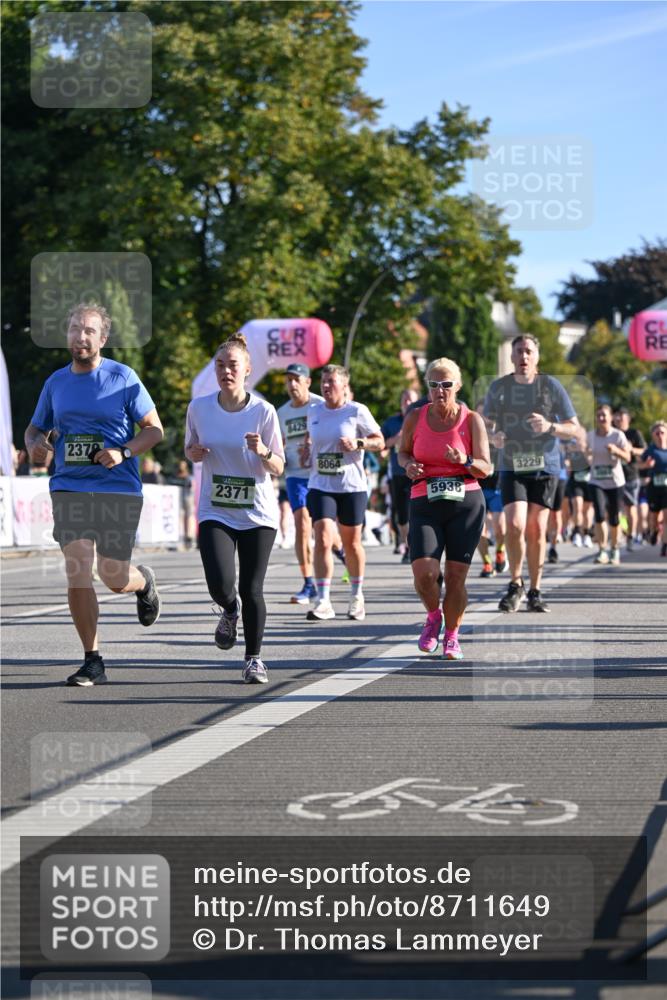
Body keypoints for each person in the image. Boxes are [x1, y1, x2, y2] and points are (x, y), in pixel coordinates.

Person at [24, 302, 163, 686]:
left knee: (113, 575)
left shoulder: (123, 378)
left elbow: (154, 429)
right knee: (79, 568)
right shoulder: (55, 383)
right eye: (74, 329)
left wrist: (125, 451)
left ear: (102, 338)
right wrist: (36, 444)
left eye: (88, 331)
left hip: (117, 488)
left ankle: (143, 582)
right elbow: (35, 429)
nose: (79, 336)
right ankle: (93, 658)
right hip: (69, 486)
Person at [185, 332, 285, 684]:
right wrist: (193, 454)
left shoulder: (264, 411)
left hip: (257, 513)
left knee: (251, 587)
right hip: (216, 509)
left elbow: (279, 466)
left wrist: (263, 453)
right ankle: (229, 611)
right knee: (219, 583)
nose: (226, 371)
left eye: (233, 366)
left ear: (247, 370)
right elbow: (190, 448)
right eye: (220, 365)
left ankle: (254, 659)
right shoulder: (198, 408)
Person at [398, 358, 490, 660]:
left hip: (466, 501)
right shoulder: (415, 417)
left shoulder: (471, 420)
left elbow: (485, 468)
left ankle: (452, 635)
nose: (440, 390)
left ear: (458, 386)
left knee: (454, 577)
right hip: (425, 498)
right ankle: (433, 616)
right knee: (425, 574)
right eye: (434, 385)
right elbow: (402, 452)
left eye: (447, 384)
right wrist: (409, 465)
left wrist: (463, 459)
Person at [484, 334, 580, 613]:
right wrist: (495, 437)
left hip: (545, 466)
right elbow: (484, 426)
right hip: (512, 464)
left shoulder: (551, 386)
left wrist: (551, 427)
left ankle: (536, 590)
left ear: (537, 357)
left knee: (537, 529)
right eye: (519, 351)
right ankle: (516, 584)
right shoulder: (499, 388)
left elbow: (573, 427)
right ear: (511, 357)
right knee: (514, 525)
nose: (524, 356)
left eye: (529, 351)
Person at [301, 364, 384, 622]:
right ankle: (323, 600)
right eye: (323, 382)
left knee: (351, 543)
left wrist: (358, 443)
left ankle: (357, 595)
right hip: (320, 485)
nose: (326, 387)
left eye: (332, 382)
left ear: (344, 385)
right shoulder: (313, 411)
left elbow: (379, 442)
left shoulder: (357, 411)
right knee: (323, 538)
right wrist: (306, 452)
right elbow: (310, 439)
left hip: (351, 487)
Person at [276, 363, 323, 603]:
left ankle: (341, 552)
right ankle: (308, 583)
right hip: (295, 474)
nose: (292, 384)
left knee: (325, 531)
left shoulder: (320, 405)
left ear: (307, 382)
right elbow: (278, 443)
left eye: (297, 379)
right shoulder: (281, 413)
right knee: (302, 524)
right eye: (288, 380)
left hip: (320, 474)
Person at [586, 404, 632, 565]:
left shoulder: (618, 435)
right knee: (599, 514)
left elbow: (628, 457)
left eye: (604, 415)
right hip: (596, 480)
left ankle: (615, 549)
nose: (601, 418)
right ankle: (602, 550)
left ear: (611, 417)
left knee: (614, 518)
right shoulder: (590, 435)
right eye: (598, 415)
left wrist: (616, 451)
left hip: (615, 482)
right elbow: (585, 454)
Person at [381, 389, 419, 564]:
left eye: (411, 400)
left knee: (417, 511)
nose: (407, 403)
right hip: (398, 473)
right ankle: (407, 544)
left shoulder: (422, 419)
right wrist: (397, 437)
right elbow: (381, 445)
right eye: (405, 400)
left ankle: (417, 546)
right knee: (402, 515)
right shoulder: (391, 423)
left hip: (418, 472)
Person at [475, 402, 506, 578]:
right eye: (481, 415)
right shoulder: (473, 434)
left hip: (497, 487)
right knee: (480, 529)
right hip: (478, 487)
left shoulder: (501, 433)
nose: (485, 419)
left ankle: (500, 551)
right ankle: (487, 563)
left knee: (500, 528)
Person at [612, 407, 647, 550]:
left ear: (628, 419)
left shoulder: (634, 433)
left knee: (630, 507)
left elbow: (643, 450)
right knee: (614, 509)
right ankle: (617, 536)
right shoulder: (611, 433)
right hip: (613, 475)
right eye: (617, 417)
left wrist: (630, 449)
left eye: (622, 417)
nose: (619, 419)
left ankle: (631, 536)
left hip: (631, 475)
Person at [639, 420, 667, 556]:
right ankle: (654, 531)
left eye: (662, 432)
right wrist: (646, 465)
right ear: (653, 435)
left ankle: (665, 544)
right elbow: (639, 466)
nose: (660, 435)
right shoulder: (649, 451)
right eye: (657, 433)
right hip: (654, 487)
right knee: (654, 516)